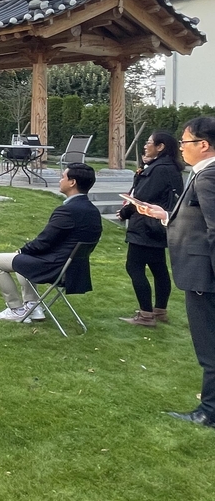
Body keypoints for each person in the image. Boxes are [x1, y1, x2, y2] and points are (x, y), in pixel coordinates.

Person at [135, 117, 215, 428]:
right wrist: (167, 216)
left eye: (185, 142)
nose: (181, 148)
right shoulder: (202, 175)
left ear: (203, 145)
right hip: (201, 272)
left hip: (203, 276)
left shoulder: (208, 177)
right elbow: (199, 220)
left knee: (208, 346)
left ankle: (208, 412)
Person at [0, 163, 102, 322]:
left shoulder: (67, 211)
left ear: (72, 182)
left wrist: (21, 251)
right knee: (25, 257)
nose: (60, 180)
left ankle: (16, 309)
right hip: (75, 269)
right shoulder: (93, 211)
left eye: (63, 177)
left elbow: (43, 241)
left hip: (54, 268)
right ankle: (33, 307)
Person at [116, 131, 183, 326]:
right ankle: (160, 311)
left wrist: (125, 213)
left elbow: (141, 197)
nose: (146, 145)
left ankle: (146, 315)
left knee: (134, 267)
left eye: (149, 143)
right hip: (159, 226)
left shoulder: (158, 169)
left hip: (145, 225)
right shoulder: (170, 168)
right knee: (158, 268)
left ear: (160, 147)